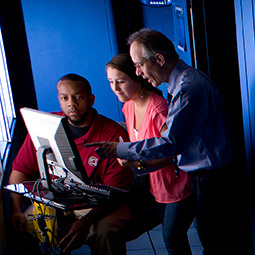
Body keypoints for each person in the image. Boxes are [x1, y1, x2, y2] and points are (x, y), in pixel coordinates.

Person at [85, 28, 240, 255]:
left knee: (214, 244)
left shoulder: (188, 89)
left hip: (211, 178)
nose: (138, 73)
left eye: (139, 65)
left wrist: (119, 149)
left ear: (158, 59)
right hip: (205, 177)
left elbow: (169, 144)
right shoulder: (183, 82)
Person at [9, 73, 134, 255]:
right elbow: (21, 169)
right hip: (58, 200)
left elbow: (115, 194)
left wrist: (86, 221)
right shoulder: (46, 125)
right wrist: (15, 210)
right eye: (65, 98)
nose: (71, 104)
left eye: (78, 97)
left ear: (91, 99)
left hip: (99, 205)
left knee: (105, 232)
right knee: (24, 227)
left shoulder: (112, 135)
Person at [106, 53, 194, 254]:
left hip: (178, 184)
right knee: (173, 237)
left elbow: (173, 152)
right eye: (111, 81)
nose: (115, 88)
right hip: (157, 184)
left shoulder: (159, 110)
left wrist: (138, 163)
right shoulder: (128, 105)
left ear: (137, 77)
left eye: (121, 81)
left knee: (172, 238)